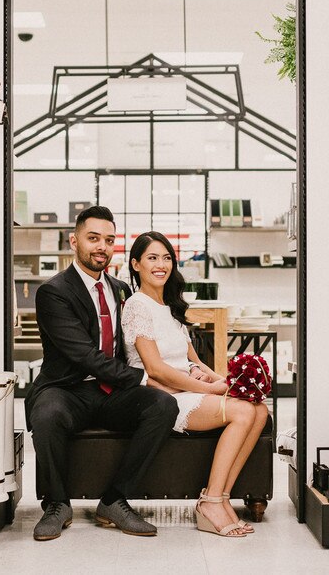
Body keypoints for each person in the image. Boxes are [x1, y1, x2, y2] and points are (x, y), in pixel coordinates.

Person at [26, 206, 179, 541]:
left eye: (109, 240)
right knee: (47, 413)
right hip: (67, 388)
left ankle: (114, 500)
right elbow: (84, 355)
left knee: (163, 405)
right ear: (74, 241)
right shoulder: (53, 292)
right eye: (93, 238)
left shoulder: (121, 288)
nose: (102, 247)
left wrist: (180, 371)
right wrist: (144, 378)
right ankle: (57, 504)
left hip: (112, 390)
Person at [122, 231, 269, 538]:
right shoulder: (136, 305)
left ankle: (222, 498)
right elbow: (155, 367)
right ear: (136, 264)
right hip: (161, 394)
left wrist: (225, 380)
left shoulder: (171, 306)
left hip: (187, 387)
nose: (161, 265)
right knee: (242, 412)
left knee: (259, 409)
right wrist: (208, 389)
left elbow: (194, 360)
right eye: (152, 258)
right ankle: (210, 502)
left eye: (166, 258)